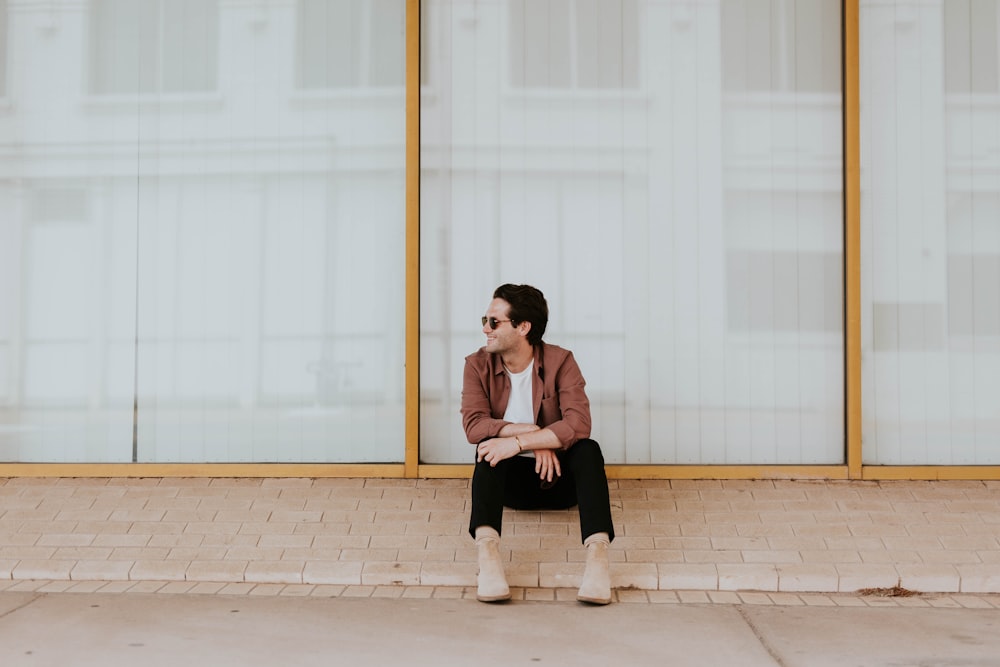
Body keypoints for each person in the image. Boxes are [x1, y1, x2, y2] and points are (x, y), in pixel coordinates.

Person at [461, 283, 615, 604]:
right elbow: (474, 425)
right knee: (487, 448)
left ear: (523, 327)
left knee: (589, 450)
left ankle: (598, 564)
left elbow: (579, 424)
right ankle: (488, 561)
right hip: (511, 488)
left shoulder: (561, 362)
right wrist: (530, 432)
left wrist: (519, 442)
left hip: (561, 482)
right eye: (484, 320)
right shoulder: (477, 365)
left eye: (494, 322)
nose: (485, 329)